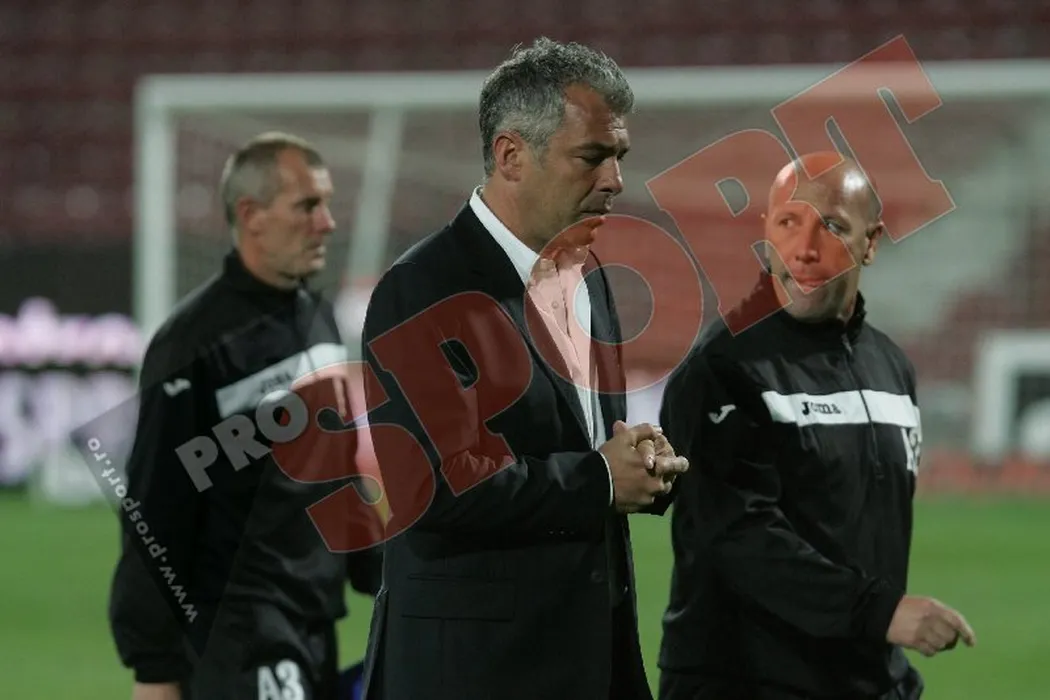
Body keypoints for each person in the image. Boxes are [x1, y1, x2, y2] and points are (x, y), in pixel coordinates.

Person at [358, 38, 688, 700]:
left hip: (588, 658)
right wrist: (599, 478)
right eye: (591, 157)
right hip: (474, 673)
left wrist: (637, 464)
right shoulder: (422, 289)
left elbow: (580, 444)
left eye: (619, 157)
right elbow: (434, 486)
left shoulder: (588, 276)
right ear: (511, 156)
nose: (614, 180)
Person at [656, 151, 976, 700]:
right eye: (788, 222)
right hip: (746, 682)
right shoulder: (724, 367)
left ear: (871, 243)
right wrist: (881, 612)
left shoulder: (891, 368)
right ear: (766, 233)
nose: (804, 249)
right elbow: (738, 537)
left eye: (832, 226)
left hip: (865, 681)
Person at [108, 132, 383, 700]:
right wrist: (153, 668)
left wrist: (376, 569)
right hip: (236, 633)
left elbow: (335, 464)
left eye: (327, 204)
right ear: (252, 216)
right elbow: (156, 507)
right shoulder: (191, 344)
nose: (327, 223)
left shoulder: (318, 319)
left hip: (313, 622)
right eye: (307, 205)